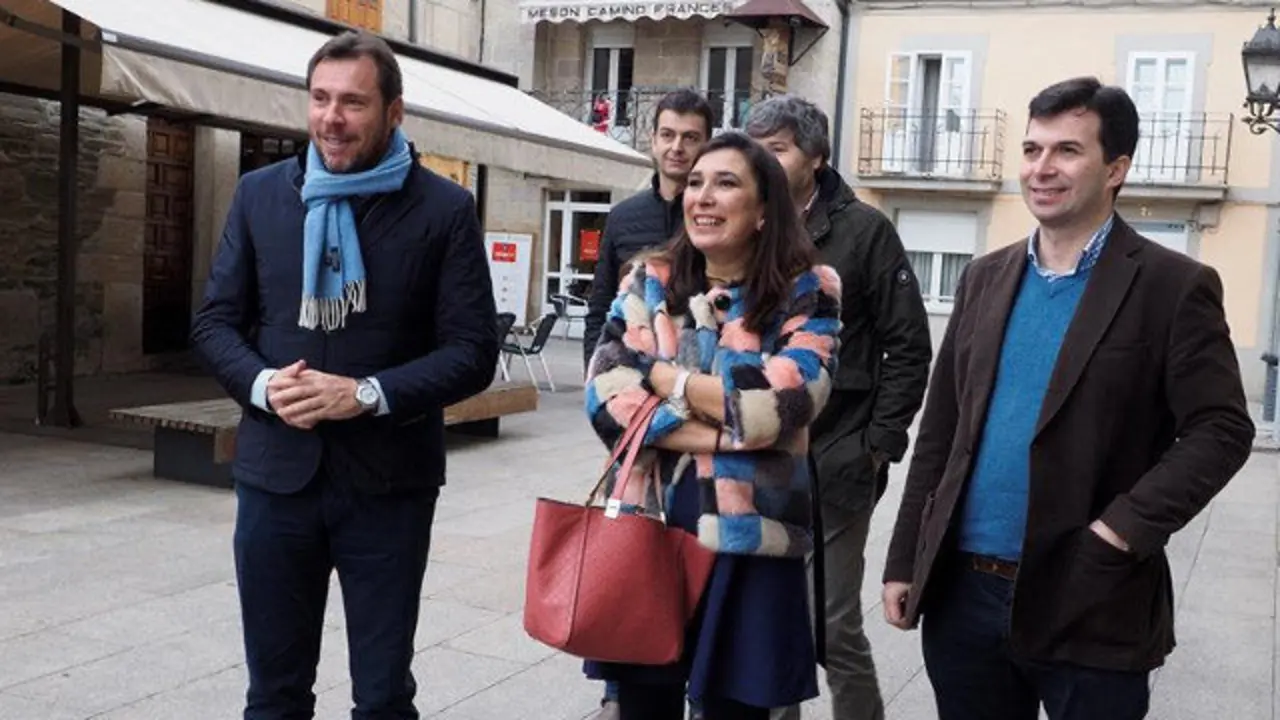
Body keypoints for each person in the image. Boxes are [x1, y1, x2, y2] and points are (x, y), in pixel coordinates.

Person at [881, 76, 1255, 720]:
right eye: (1032, 149)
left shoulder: (1173, 285)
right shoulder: (983, 277)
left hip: (1090, 595)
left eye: (1067, 151)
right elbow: (942, 430)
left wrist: (1119, 532)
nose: (1042, 168)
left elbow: (1221, 428)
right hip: (963, 593)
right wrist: (905, 557)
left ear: (1115, 169)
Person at [190, 30, 500, 719]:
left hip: (389, 487)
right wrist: (265, 386)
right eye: (320, 99)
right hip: (276, 480)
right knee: (273, 696)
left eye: (353, 103)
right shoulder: (260, 195)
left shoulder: (444, 209)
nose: (332, 118)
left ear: (394, 112)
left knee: (383, 697)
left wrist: (367, 395)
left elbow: (473, 350)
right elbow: (214, 324)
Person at [583, 130, 841, 720]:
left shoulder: (808, 291)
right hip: (649, 525)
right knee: (642, 705)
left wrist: (665, 380)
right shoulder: (649, 280)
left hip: (752, 536)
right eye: (696, 183)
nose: (702, 196)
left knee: (736, 709)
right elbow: (605, 398)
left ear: (763, 209)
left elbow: (785, 403)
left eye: (726, 184)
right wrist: (734, 429)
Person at [747, 96, 931, 720]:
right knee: (769, 619)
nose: (762, 162)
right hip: (757, 454)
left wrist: (877, 445)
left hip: (838, 455)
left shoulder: (864, 231)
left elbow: (909, 345)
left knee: (829, 623)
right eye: (756, 149)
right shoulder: (750, 222)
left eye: (777, 150)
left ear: (817, 157)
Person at [582, 88, 715, 372]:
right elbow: (600, 306)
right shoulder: (622, 217)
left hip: (701, 374)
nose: (677, 147)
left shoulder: (717, 216)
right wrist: (595, 377)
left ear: (707, 145)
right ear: (653, 140)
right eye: (668, 135)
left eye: (690, 138)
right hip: (632, 371)